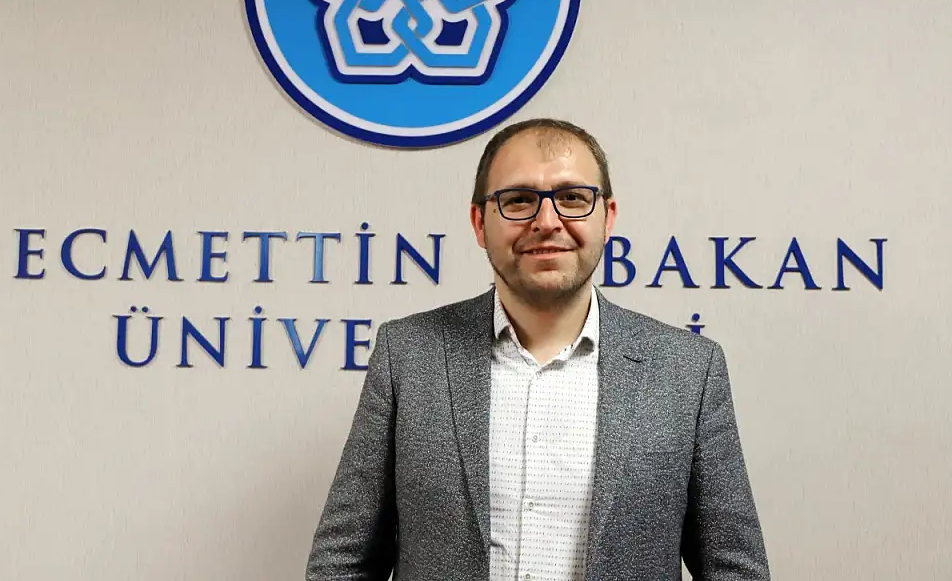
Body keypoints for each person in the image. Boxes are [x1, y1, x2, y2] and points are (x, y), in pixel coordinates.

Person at [305, 118, 770, 581]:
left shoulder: (688, 371)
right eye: (518, 200)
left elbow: (736, 571)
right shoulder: (407, 355)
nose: (547, 222)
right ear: (479, 223)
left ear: (607, 217)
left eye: (572, 198)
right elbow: (343, 562)